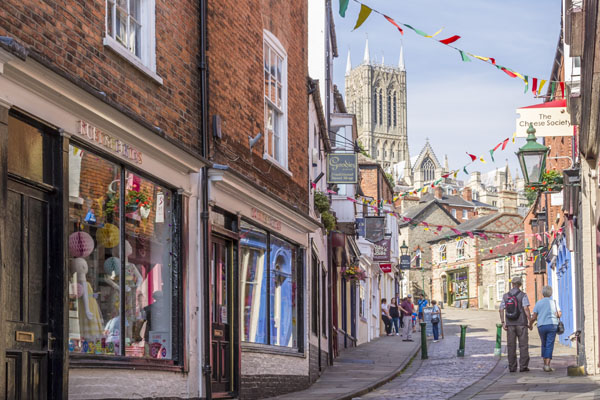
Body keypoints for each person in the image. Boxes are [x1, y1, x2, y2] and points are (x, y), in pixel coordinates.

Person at [499, 276, 532, 373]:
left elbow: (501, 309)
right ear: (520, 285)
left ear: (512, 284)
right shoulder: (523, 295)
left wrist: (503, 322)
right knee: (523, 345)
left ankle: (512, 367)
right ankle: (523, 366)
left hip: (510, 324)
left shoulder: (505, 296)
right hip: (521, 324)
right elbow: (526, 308)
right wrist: (529, 321)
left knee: (511, 346)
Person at [530, 286, 562, 372]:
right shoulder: (554, 303)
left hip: (541, 326)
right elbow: (559, 314)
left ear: (543, 293)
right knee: (549, 344)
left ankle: (545, 364)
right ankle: (547, 365)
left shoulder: (538, 303)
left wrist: (530, 324)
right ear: (551, 293)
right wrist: (556, 315)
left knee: (544, 344)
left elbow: (534, 317)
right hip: (552, 325)